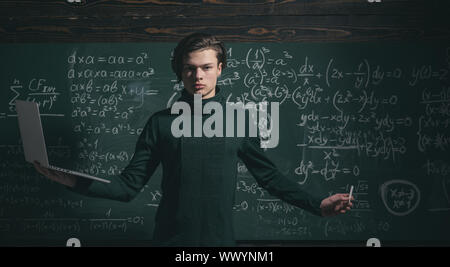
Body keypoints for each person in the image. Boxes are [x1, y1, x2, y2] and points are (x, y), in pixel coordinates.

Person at [34, 33, 353, 246]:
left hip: (223, 245)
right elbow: (128, 187)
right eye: (190, 69)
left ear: (220, 69)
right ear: (179, 72)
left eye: (206, 67)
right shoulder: (160, 124)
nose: (198, 76)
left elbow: (269, 177)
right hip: (169, 242)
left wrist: (318, 204)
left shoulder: (239, 120)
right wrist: (70, 180)